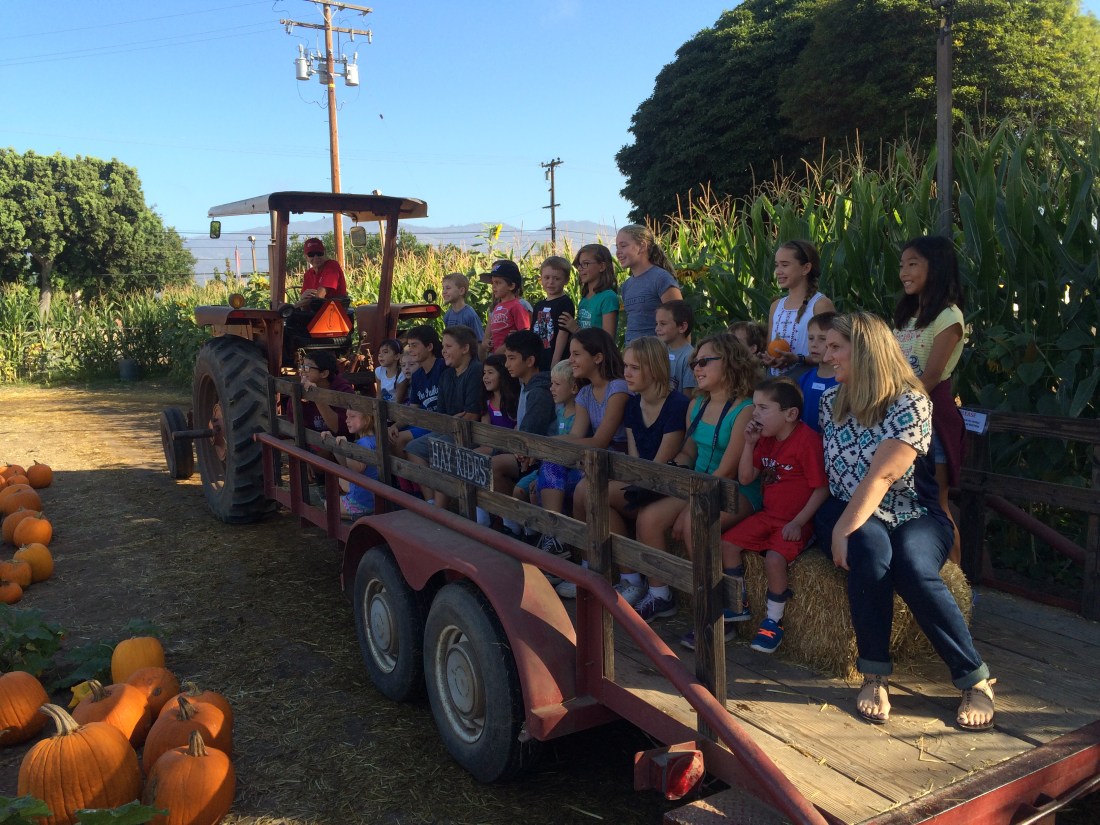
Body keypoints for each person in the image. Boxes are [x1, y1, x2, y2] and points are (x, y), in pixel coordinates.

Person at [813, 311, 994, 730]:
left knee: (913, 564)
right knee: (872, 550)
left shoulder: (911, 402)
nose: (827, 354)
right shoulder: (829, 403)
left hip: (914, 511)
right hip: (845, 504)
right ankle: (875, 674)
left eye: (837, 346)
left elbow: (885, 472)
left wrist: (844, 528)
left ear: (866, 351)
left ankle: (974, 680)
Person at [632, 333, 762, 623]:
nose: (696, 368)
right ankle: (660, 595)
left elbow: (726, 471)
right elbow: (688, 452)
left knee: (694, 524)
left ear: (729, 363)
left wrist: (689, 507)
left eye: (704, 361)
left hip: (736, 490)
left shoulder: (746, 408)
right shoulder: (697, 404)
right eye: (694, 363)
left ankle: (715, 612)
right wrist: (665, 477)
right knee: (648, 518)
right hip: (700, 484)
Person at [703, 377, 829, 654]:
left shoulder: (807, 441)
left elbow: (821, 489)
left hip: (795, 521)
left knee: (774, 559)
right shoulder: (765, 440)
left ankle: (773, 621)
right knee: (726, 543)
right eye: (754, 407)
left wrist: (798, 522)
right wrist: (749, 444)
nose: (754, 413)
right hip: (768, 515)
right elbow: (746, 476)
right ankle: (738, 604)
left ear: (790, 414)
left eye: (762, 408)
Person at [568, 336, 689, 602]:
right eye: (625, 366)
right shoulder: (634, 404)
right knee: (588, 492)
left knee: (594, 492)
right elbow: (634, 459)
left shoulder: (677, 404)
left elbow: (661, 464)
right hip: (643, 481)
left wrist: (636, 485)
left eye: (634, 367)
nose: (626, 373)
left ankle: (658, 594)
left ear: (654, 368)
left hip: (668, 484)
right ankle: (629, 578)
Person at [891, 235, 966, 563]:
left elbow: (932, 376)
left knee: (937, 503)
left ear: (934, 267)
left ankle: (957, 586)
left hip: (932, 419)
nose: (903, 272)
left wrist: (895, 408)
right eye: (901, 265)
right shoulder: (906, 316)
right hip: (900, 417)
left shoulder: (949, 318)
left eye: (912, 264)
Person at [535, 328, 631, 563]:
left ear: (597, 358)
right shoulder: (586, 393)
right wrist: (541, 447)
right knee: (550, 463)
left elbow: (600, 441)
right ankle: (554, 534)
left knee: (555, 466)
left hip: (617, 461)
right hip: (594, 459)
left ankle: (573, 550)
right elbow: (576, 434)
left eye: (577, 354)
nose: (571, 360)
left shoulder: (617, 388)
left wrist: (550, 448)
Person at [404, 325, 483, 508]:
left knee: (441, 449)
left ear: (465, 349)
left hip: (471, 435)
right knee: (413, 448)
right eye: (443, 346)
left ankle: (439, 512)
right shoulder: (447, 375)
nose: (444, 351)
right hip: (449, 429)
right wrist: (452, 419)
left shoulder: (475, 371)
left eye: (448, 347)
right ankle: (430, 502)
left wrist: (454, 419)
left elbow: (471, 414)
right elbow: (442, 414)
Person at [491, 330, 557, 537]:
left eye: (512, 358)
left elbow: (531, 432)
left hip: (539, 456)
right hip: (526, 451)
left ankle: (512, 525)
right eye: (506, 358)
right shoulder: (524, 384)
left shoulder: (538, 392)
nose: (507, 364)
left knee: (494, 465)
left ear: (530, 361)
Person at [763, 240, 835, 376]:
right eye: (776, 265)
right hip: (774, 382)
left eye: (785, 265)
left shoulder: (820, 305)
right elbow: (770, 346)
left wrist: (798, 359)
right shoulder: (776, 306)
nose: (778, 271)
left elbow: (832, 349)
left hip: (805, 380)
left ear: (806, 268)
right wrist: (769, 358)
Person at [616, 224, 682, 344]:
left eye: (623, 246)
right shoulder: (626, 285)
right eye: (617, 247)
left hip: (656, 357)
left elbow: (681, 320)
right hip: (632, 358)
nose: (618, 252)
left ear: (642, 246)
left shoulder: (661, 279)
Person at [388, 325, 444, 458]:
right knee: (390, 436)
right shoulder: (418, 375)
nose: (410, 350)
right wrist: (395, 426)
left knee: (400, 440)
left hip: (441, 425)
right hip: (425, 423)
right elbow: (413, 409)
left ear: (429, 347)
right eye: (409, 345)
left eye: (414, 345)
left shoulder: (442, 367)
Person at [321, 405, 379, 519]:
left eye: (352, 416)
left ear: (367, 420)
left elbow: (356, 469)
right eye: (347, 416)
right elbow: (345, 465)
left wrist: (347, 449)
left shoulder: (363, 444)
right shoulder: (373, 439)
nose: (347, 420)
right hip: (373, 492)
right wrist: (334, 443)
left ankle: (360, 514)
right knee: (342, 480)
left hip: (364, 501)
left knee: (328, 504)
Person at [559, 243, 619, 338]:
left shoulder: (608, 297)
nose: (579, 268)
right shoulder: (585, 298)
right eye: (579, 264)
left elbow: (608, 338)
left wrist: (576, 329)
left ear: (602, 266)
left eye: (585, 264)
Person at [530, 256, 575, 371]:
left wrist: (555, 362)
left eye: (556, 278)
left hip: (555, 360)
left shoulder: (565, 303)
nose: (550, 282)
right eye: (547, 277)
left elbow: (563, 333)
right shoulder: (538, 305)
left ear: (566, 280)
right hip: (538, 359)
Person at [798, 312, 838, 433]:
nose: (814, 344)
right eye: (811, 338)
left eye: (822, 339)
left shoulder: (844, 381)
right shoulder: (804, 379)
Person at [484, 260, 531, 354]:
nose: (493, 287)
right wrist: (487, 343)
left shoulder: (517, 306)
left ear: (511, 286)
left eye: (498, 283)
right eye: (493, 283)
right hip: (495, 355)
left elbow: (525, 332)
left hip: (510, 355)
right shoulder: (497, 307)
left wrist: (504, 347)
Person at [655, 300, 696, 394]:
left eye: (663, 324)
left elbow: (688, 397)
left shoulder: (690, 357)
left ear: (682, 327)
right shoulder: (659, 351)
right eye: (656, 323)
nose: (657, 329)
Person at [298, 238, 347, 305]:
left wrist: (302, 301)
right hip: (316, 311)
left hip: (333, 311)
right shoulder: (308, 274)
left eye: (319, 253)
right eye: (311, 254)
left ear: (325, 253)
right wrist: (302, 299)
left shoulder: (332, 266)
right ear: (306, 257)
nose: (316, 257)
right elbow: (304, 306)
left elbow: (319, 297)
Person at [441, 272, 484, 344]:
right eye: (443, 288)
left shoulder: (469, 314)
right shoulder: (448, 315)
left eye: (448, 288)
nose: (444, 292)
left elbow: (479, 340)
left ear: (461, 291)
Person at [481, 353, 520, 431]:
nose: (485, 377)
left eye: (490, 372)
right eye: (484, 372)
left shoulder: (517, 400)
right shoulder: (487, 401)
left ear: (502, 375)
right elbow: (485, 430)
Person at [374, 338, 407, 405]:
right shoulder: (379, 371)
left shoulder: (402, 375)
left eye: (385, 352)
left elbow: (398, 402)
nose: (380, 355)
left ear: (397, 356)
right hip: (383, 408)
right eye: (379, 353)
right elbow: (379, 395)